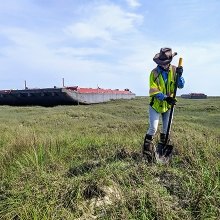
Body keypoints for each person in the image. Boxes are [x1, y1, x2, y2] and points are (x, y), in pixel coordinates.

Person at [143, 47, 185, 162]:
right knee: (153, 128)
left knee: (166, 131)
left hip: (168, 106)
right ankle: (147, 153)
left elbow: (180, 86)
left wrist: (180, 76)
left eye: (165, 63)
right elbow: (153, 90)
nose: (163, 65)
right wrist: (165, 98)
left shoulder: (175, 70)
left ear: (169, 62)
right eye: (161, 63)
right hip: (156, 105)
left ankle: (162, 154)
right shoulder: (154, 73)